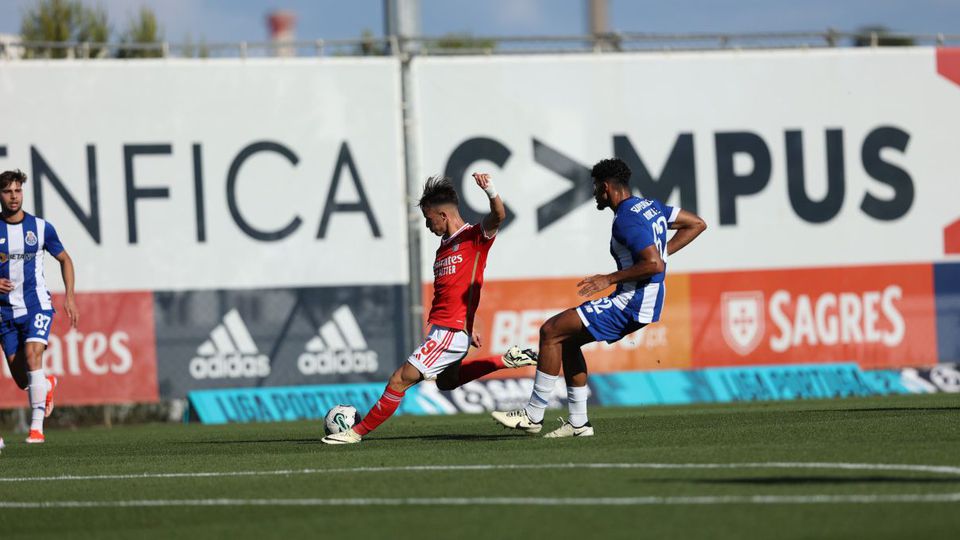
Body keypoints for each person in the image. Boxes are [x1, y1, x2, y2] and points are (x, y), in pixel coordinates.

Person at [492, 158, 706, 438]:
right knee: (567, 342)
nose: (594, 193)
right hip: (646, 298)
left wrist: (609, 278)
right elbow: (697, 224)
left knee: (551, 331)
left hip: (632, 300)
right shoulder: (650, 206)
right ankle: (579, 423)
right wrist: (662, 253)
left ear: (606, 187)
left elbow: (654, 264)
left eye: (595, 187)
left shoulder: (627, 218)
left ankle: (533, 416)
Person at [322, 173, 535, 444]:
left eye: (428, 218)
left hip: (448, 333)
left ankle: (354, 433)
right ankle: (505, 360)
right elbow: (456, 291)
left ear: (443, 215)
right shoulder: (443, 248)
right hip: (453, 329)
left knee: (399, 380)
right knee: (447, 381)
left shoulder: (474, 237)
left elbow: (499, 215)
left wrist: (490, 190)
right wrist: (471, 325)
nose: (426, 225)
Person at [0, 169, 79, 444]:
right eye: (8, 191)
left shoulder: (40, 227)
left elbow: (65, 259)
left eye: (18, 190)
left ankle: (36, 429)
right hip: (5, 313)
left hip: (37, 305)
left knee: (35, 356)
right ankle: (46, 385)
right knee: (23, 380)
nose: (14, 196)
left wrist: (69, 297)